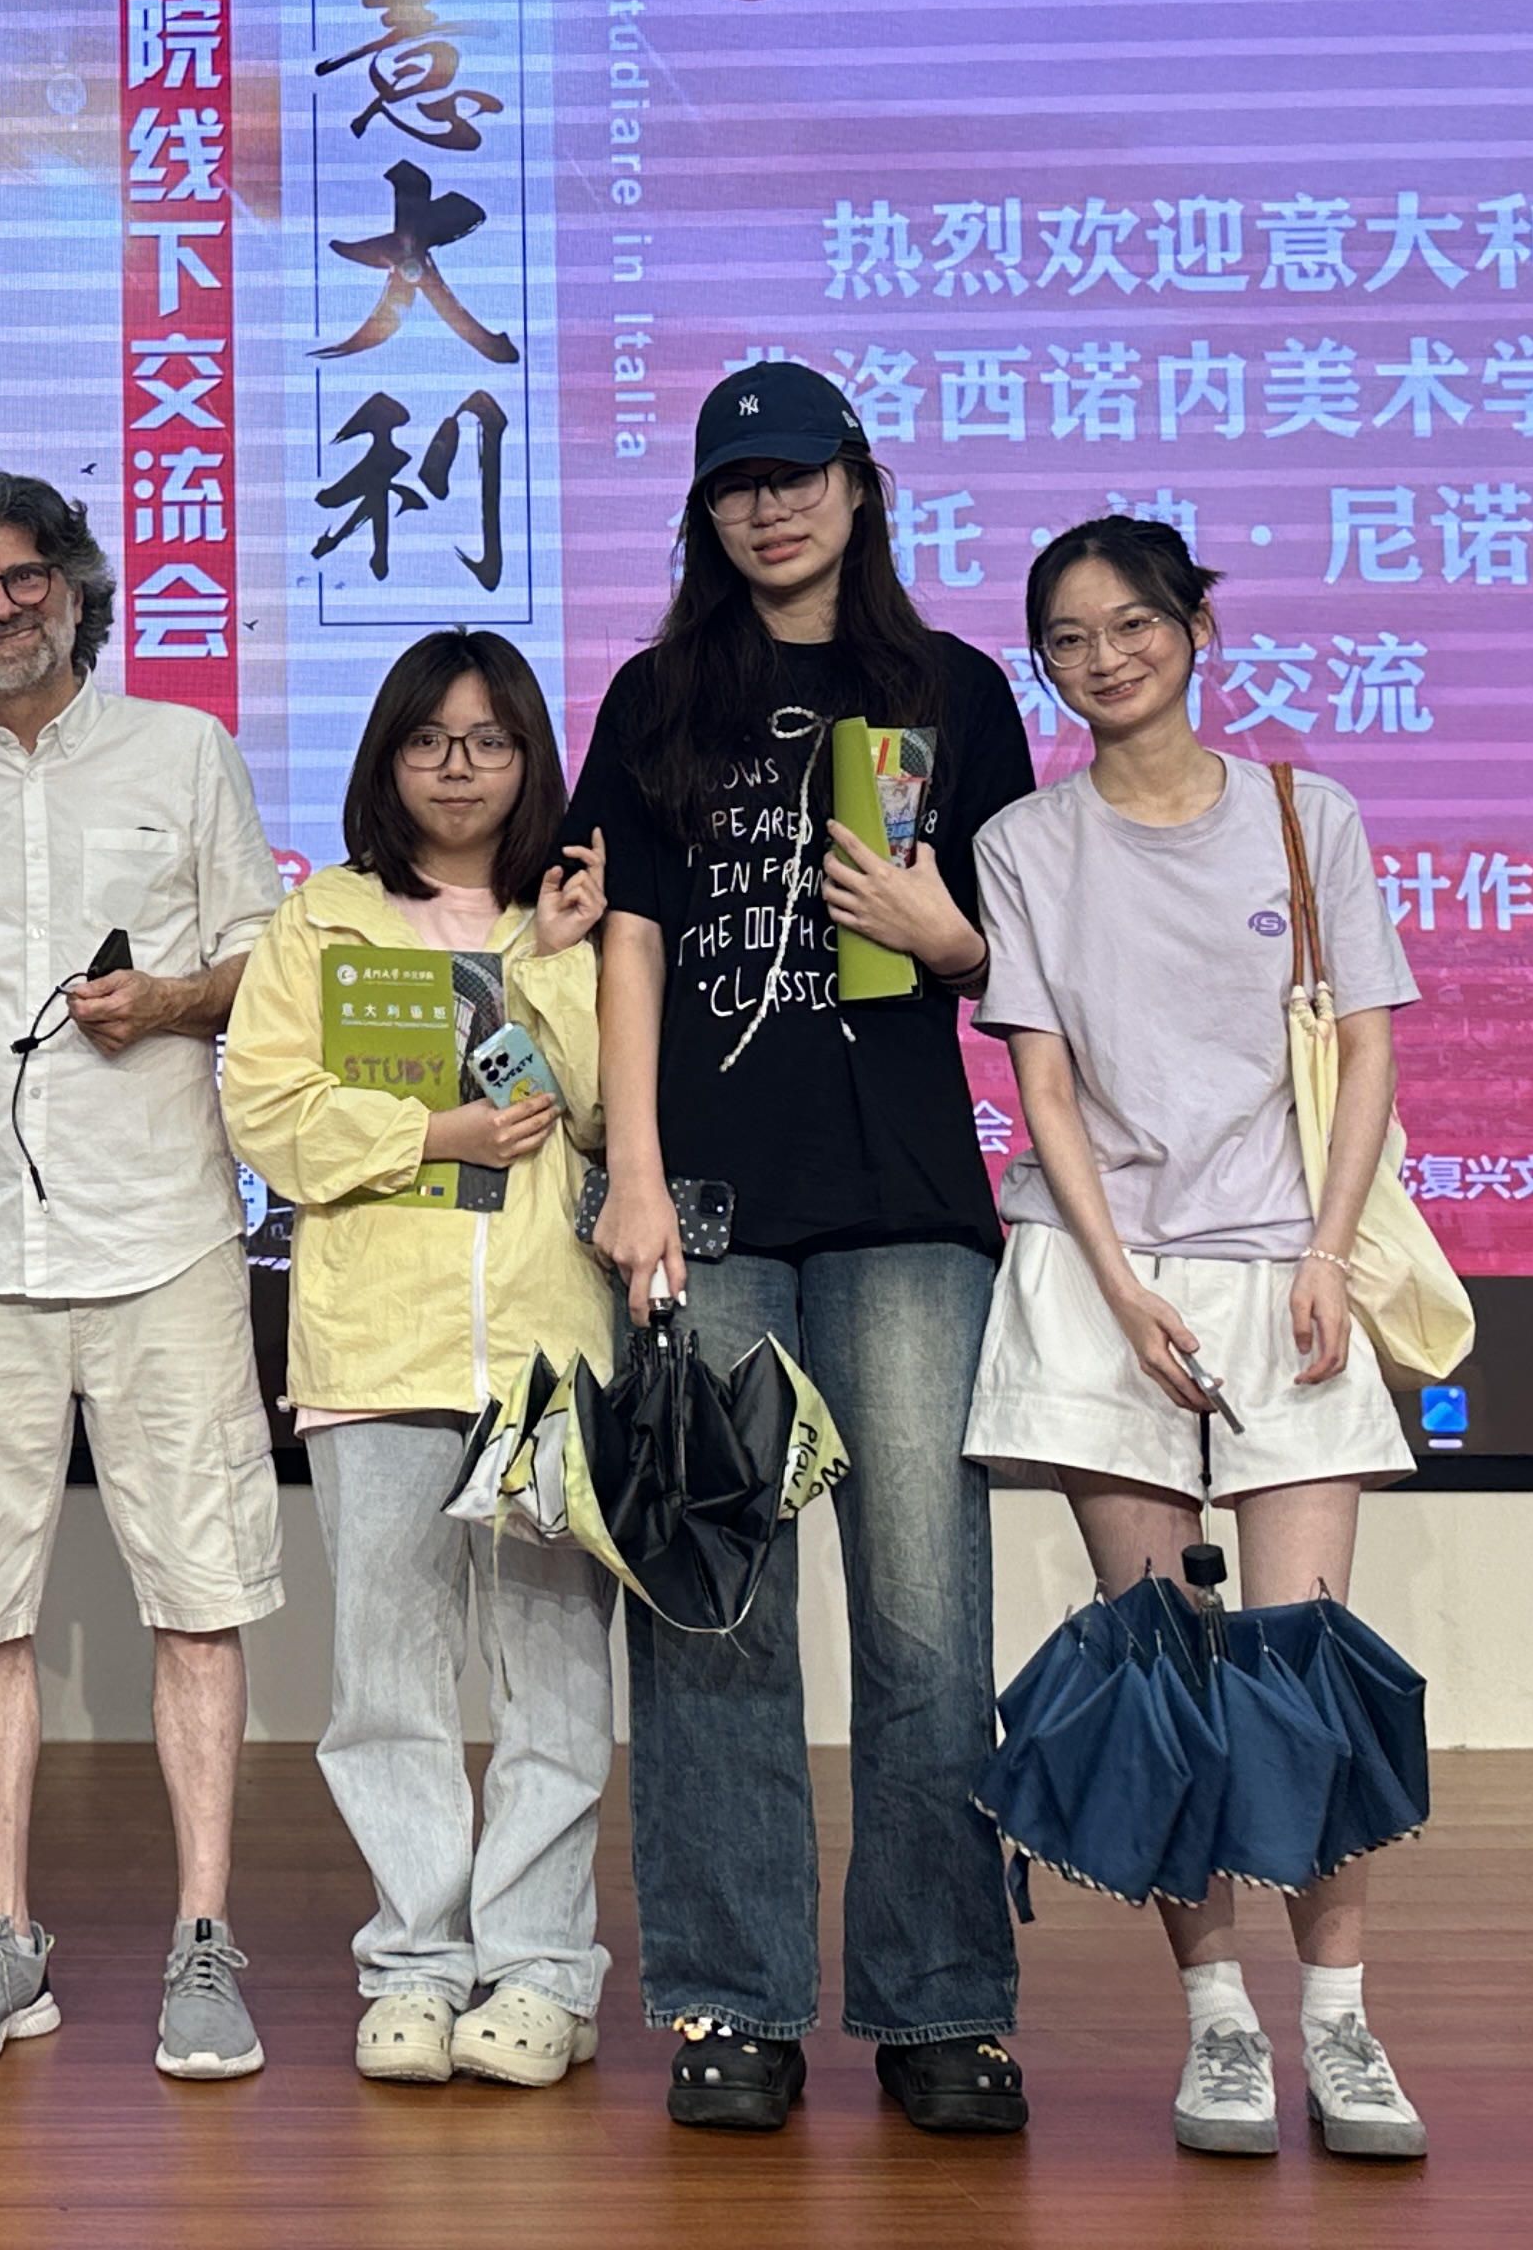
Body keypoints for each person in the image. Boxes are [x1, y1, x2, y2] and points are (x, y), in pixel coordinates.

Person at [570, 360, 1035, 2138]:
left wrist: (951, 937)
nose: (768, 508)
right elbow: (626, 940)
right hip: (709, 1209)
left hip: (908, 1204)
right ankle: (732, 2000)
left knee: (926, 1614)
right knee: (715, 1608)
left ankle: (942, 2003)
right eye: (735, 484)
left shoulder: (954, 691)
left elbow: (1021, 952)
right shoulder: (657, 695)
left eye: (796, 475)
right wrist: (632, 1174)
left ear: (860, 484)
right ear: (705, 512)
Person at [960, 516, 1431, 2162]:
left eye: (1133, 624)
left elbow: (1366, 1048)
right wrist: (1120, 1285)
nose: (1105, 659)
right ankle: (1218, 2025)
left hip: (1284, 1277)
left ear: (1196, 628)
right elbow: (1044, 1083)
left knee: (1308, 1669)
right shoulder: (1025, 842)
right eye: (1069, 638)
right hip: (1104, 1281)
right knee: (1156, 1669)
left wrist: (1324, 1254)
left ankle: (1343, 2027)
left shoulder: (1309, 815)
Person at [0, 469, 286, 2084]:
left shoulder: (184, 750)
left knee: (201, 1590)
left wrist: (165, 1003)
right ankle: (4, 1938)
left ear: (77, 585)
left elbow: (270, 969)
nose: (0, 609)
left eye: (24, 578)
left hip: (165, 1235)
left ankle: (203, 1941)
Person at [221, 632, 622, 2091]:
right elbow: (267, 1110)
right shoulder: (322, 919)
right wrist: (432, 1135)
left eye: (491, 740)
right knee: (387, 1680)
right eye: (429, 740)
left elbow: (604, 1113)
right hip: (375, 1350)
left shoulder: (570, 922)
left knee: (553, 1678)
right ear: (386, 757)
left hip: (545, 1352)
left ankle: (541, 1970)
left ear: (531, 760)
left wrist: (561, 963)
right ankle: (415, 1963)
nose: (460, 767)